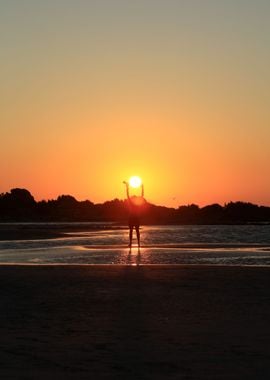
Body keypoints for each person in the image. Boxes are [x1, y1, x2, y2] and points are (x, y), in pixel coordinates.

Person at [123, 181, 145, 248]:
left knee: (133, 231)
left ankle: (134, 243)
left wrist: (142, 187)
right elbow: (141, 195)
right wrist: (142, 187)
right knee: (134, 231)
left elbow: (141, 195)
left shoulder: (135, 203)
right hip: (134, 218)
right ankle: (136, 243)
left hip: (133, 218)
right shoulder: (135, 203)